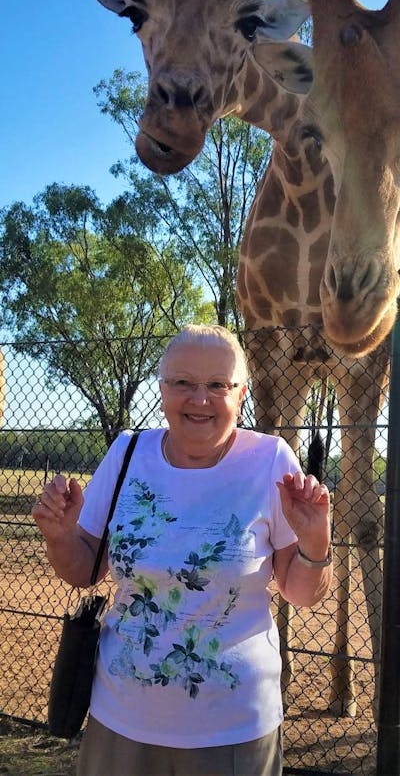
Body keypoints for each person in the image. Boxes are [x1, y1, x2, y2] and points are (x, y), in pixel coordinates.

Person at [32, 324, 332, 776]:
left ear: (241, 393)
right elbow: (83, 568)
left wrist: (315, 543)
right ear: (162, 389)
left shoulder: (271, 461)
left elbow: (304, 593)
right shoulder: (129, 452)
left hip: (233, 729)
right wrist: (60, 534)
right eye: (183, 383)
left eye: (217, 385)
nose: (200, 399)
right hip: (120, 720)